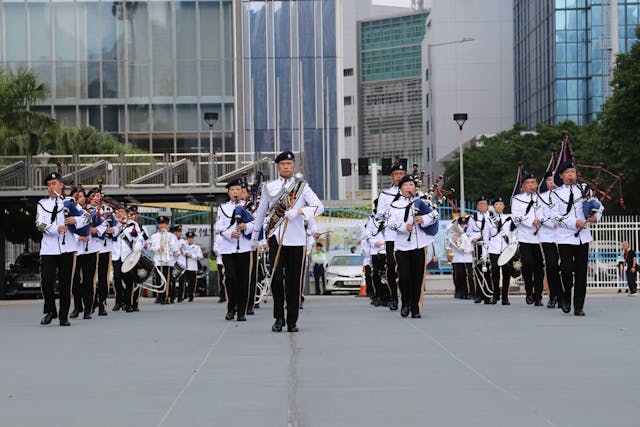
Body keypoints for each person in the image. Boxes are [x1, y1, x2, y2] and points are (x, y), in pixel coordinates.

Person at [250, 151, 324, 332]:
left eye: (289, 164)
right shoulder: (269, 187)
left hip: (297, 240)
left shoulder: (302, 187)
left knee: (293, 282)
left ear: (294, 166)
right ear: (278, 167)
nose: (285, 167)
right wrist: (255, 237)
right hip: (276, 238)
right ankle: (278, 318)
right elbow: (260, 213)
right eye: (282, 164)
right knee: (276, 279)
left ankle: (292, 320)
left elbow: (318, 207)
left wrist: (299, 212)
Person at [550, 161, 604, 316]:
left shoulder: (585, 189)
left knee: (581, 272)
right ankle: (566, 297)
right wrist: (574, 222)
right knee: (567, 270)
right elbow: (555, 217)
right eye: (567, 172)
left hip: (583, 237)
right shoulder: (555, 194)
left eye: (573, 172)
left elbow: (598, 207)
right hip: (565, 237)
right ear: (561, 176)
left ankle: (579, 306)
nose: (571, 175)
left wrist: (595, 217)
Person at [36, 172, 89, 326]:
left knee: (66, 283)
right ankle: (50, 310)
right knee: (46, 280)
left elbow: (88, 218)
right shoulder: (42, 204)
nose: (51, 187)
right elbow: (39, 224)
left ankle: (63, 315)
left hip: (68, 248)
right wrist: (55, 228)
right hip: (48, 248)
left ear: (61, 185)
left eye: (53, 184)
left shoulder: (69, 202)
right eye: (48, 185)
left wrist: (76, 220)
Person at [388, 175, 439, 317]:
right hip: (402, 246)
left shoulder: (422, 201)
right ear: (401, 188)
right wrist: (404, 227)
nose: (409, 188)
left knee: (417, 278)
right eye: (406, 185)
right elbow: (391, 223)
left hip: (419, 245)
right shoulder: (394, 205)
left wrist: (423, 219)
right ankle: (405, 301)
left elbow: (435, 215)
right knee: (404, 276)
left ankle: (415, 307)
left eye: (411, 185)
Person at [215, 179, 255, 321]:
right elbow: (218, 227)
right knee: (231, 279)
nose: (236, 192)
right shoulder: (222, 208)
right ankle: (231, 307)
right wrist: (229, 234)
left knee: (244, 280)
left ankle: (242, 311)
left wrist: (246, 227)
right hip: (228, 249)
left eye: (238, 190)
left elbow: (256, 224)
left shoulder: (249, 207)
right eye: (233, 190)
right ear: (229, 192)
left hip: (244, 248)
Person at [511, 171, 545, 306]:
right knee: (528, 264)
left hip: (540, 237)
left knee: (539, 267)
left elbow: (545, 213)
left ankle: (538, 295)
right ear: (523, 186)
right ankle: (529, 290)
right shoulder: (517, 199)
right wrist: (532, 221)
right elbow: (516, 216)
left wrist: (540, 220)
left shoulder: (541, 198)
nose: (531, 185)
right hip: (525, 237)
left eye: (533, 183)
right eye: (528, 183)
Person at [376, 163, 407, 310]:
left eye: (401, 173)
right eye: (396, 174)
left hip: (408, 237)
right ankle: (393, 297)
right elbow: (379, 215)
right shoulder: (385, 194)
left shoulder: (413, 193)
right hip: (391, 236)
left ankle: (407, 299)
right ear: (392, 176)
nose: (399, 176)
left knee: (406, 270)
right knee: (392, 267)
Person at [538, 170, 564, 308]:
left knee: (565, 267)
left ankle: (564, 294)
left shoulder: (564, 195)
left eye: (553, 179)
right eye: (548, 180)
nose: (551, 182)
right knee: (552, 266)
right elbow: (540, 216)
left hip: (564, 236)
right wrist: (552, 223)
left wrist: (559, 222)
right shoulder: (541, 197)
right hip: (548, 235)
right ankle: (553, 295)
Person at [468, 196, 495, 304]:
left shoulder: (492, 216)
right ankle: (479, 294)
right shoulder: (473, 217)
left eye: (485, 203)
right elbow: (468, 232)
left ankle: (489, 294)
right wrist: (474, 238)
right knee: (479, 269)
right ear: (477, 206)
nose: (483, 206)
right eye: (480, 204)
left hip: (490, 246)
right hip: (478, 246)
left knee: (489, 269)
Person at [487, 196, 513, 305]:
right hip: (494, 249)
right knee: (495, 273)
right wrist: (485, 253)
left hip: (506, 249)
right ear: (493, 207)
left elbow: (514, 233)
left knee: (506, 273)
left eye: (501, 204)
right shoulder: (489, 220)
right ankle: (495, 295)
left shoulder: (509, 218)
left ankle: (505, 297)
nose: (499, 206)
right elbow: (486, 236)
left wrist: (513, 245)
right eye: (497, 204)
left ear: (504, 206)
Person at [150, 216, 178, 305]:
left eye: (164, 224)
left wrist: (167, 247)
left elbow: (175, 248)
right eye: (160, 224)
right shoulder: (154, 236)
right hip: (158, 259)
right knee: (158, 279)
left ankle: (166, 297)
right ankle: (160, 296)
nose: (162, 226)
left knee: (167, 279)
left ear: (167, 225)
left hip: (167, 260)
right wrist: (156, 249)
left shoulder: (171, 236)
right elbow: (150, 247)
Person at [182, 231, 203, 301]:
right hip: (185, 267)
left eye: (191, 238)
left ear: (193, 239)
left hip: (193, 267)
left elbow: (200, 256)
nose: (190, 239)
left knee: (192, 282)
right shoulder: (184, 247)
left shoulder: (196, 247)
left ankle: (191, 296)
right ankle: (183, 295)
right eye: (188, 238)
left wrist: (192, 256)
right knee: (183, 282)